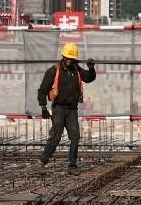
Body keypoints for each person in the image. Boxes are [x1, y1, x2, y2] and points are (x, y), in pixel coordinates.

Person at [36, 40, 96, 170]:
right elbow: (42, 90)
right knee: (56, 136)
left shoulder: (77, 70)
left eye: (72, 58)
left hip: (72, 109)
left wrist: (91, 68)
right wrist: (43, 107)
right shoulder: (53, 71)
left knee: (75, 136)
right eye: (68, 58)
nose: (70, 60)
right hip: (58, 108)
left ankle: (72, 165)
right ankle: (42, 161)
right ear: (63, 56)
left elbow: (89, 78)